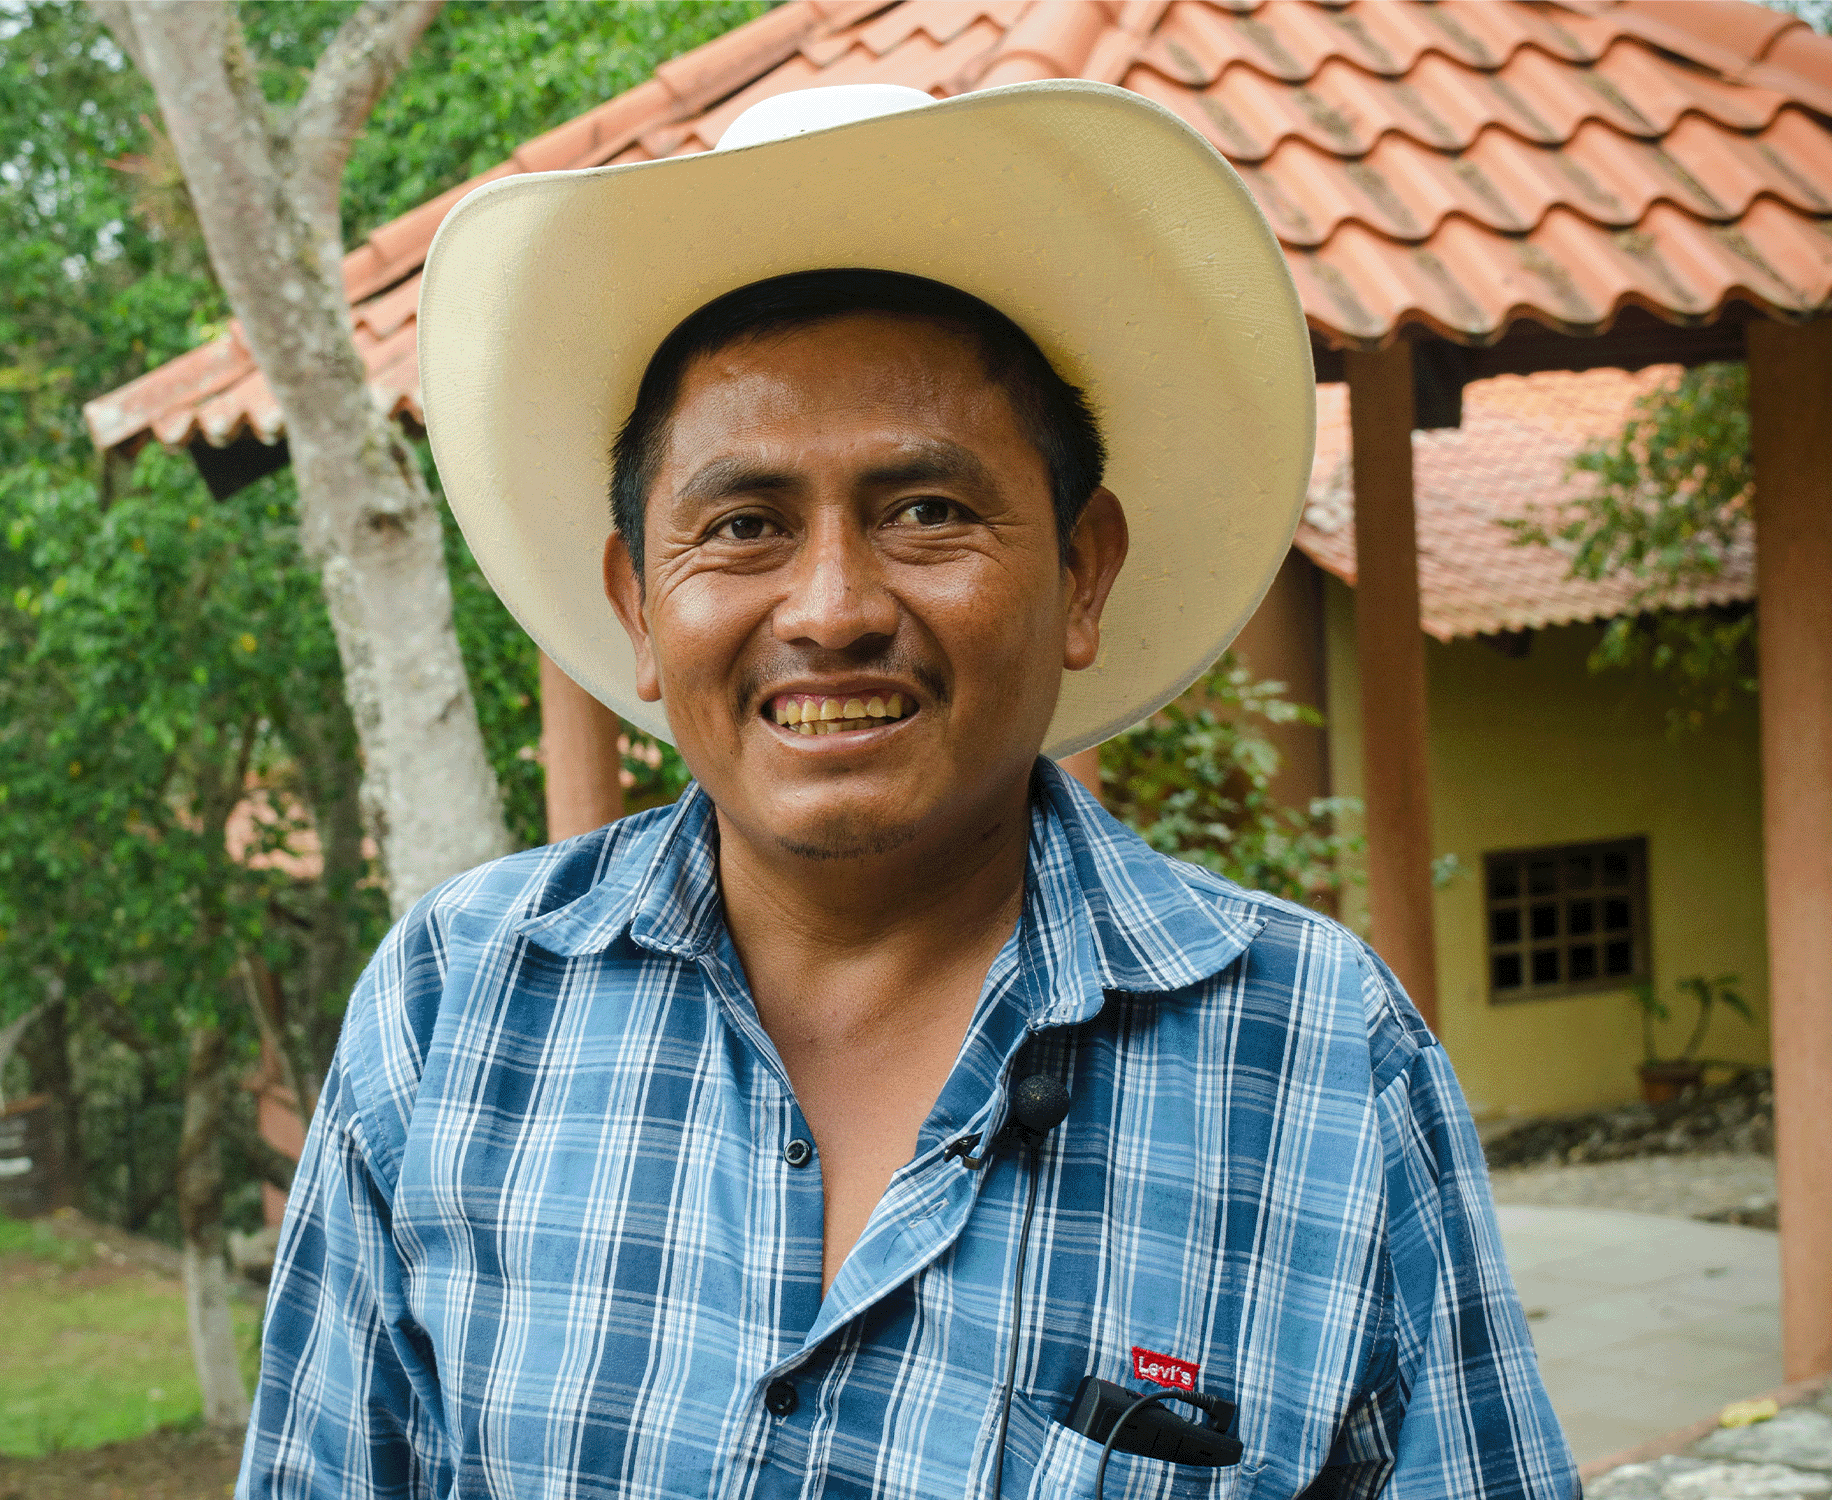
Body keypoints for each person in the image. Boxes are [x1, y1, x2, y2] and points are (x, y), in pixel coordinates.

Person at [238, 82, 1575, 1500]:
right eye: (743, 524)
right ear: (638, 602)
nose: (830, 609)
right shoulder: (459, 1010)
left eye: (926, 511)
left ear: (1082, 572)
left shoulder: (1317, 1062)